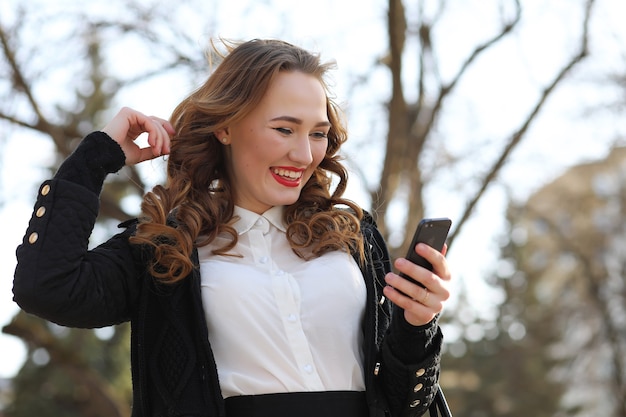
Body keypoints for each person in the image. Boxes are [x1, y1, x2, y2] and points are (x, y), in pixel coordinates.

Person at [12, 38, 451, 417]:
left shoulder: (353, 239)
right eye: (284, 129)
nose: (305, 154)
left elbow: (403, 402)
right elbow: (46, 286)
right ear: (225, 126)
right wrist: (95, 157)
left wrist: (418, 322)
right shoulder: (166, 246)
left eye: (318, 134)